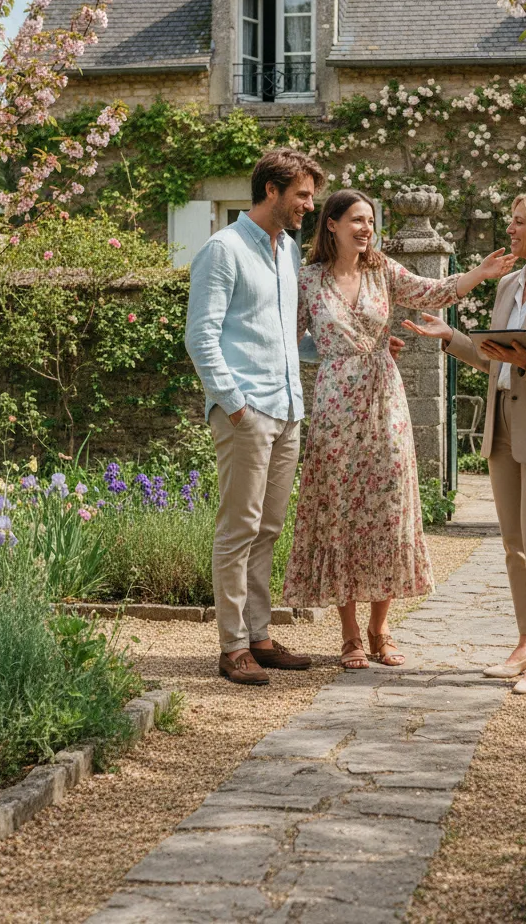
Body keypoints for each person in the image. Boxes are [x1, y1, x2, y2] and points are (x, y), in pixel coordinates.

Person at [184, 152, 405, 686]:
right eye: (303, 195)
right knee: (238, 529)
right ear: (271, 191)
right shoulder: (224, 249)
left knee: (267, 529)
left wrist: (357, 344)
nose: (310, 204)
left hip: (288, 410)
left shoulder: (286, 252)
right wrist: (233, 403)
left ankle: (259, 636)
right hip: (247, 410)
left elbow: (291, 339)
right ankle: (233, 647)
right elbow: (201, 336)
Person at [282, 188, 516, 670]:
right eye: (357, 220)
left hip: (385, 398)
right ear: (331, 224)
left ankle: (380, 629)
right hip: (335, 405)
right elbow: (290, 340)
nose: (366, 229)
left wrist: (480, 273)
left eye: (371, 221)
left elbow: (432, 292)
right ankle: (349, 635)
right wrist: (333, 351)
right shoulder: (307, 280)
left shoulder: (383, 271)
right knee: (340, 511)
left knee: (388, 507)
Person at [404, 189, 526, 694]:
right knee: (513, 544)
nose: (510, 229)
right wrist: (451, 339)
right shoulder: (509, 284)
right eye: (511, 221)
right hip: (503, 424)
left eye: (519, 222)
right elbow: (494, 357)